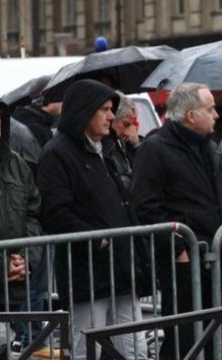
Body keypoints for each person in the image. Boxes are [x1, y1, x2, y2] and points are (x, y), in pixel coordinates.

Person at [37, 79, 148, 360]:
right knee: (86, 350)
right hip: (87, 273)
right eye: (105, 109)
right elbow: (55, 214)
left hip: (121, 270)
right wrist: (98, 240)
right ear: (84, 111)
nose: (112, 116)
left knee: (134, 348)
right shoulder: (57, 153)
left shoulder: (104, 149)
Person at [131, 82, 222, 360]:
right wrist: (179, 251)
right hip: (186, 265)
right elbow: (146, 208)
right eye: (210, 109)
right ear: (191, 115)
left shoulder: (210, 148)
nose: (216, 115)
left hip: (217, 258)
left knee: (221, 337)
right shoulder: (154, 148)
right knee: (185, 340)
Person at [0, 88, 45, 359]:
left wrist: (27, 258)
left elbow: (32, 214)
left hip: (9, 296)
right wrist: (0, 265)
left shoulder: (15, 164)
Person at [9, 76, 63, 357]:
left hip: (37, 223)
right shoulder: (30, 129)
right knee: (34, 284)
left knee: (37, 285)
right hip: (35, 224)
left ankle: (31, 337)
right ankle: (31, 338)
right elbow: (33, 183)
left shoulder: (37, 128)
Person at [110, 91, 140, 187]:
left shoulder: (124, 142)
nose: (129, 132)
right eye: (125, 124)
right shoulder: (103, 145)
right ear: (112, 117)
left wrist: (135, 146)